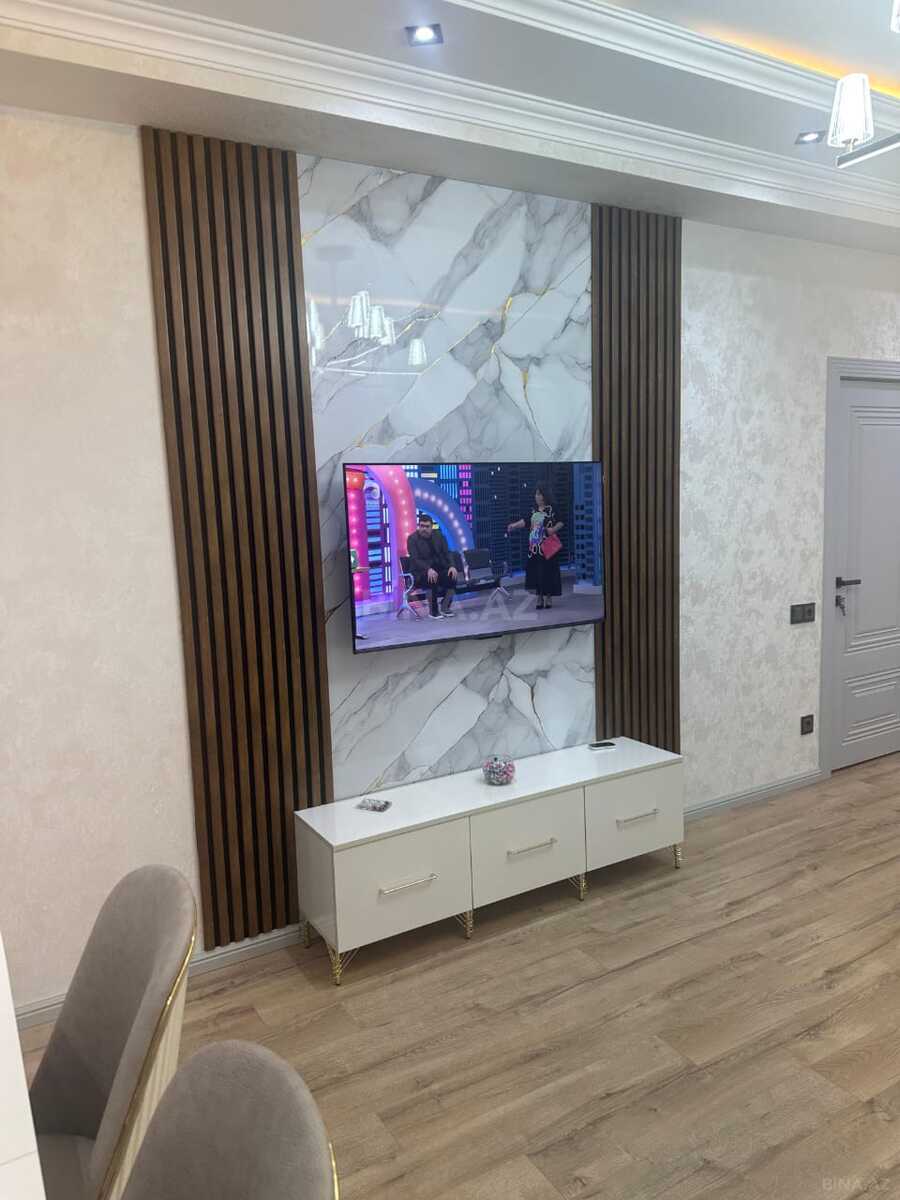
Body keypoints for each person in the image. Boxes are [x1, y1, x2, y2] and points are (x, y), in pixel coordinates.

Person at [507, 484, 564, 610]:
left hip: (548, 546)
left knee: (549, 571)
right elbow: (525, 521)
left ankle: (548, 596)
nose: (536, 496)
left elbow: (561, 522)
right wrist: (514, 525)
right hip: (535, 548)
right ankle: (539, 596)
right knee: (537, 572)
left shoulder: (552, 508)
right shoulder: (533, 510)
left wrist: (553, 529)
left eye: (538, 494)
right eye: (536, 494)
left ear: (544, 495)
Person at [406, 514, 459, 619]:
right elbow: (415, 559)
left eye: (427, 526)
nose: (424, 529)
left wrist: (452, 566)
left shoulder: (439, 535)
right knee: (432, 577)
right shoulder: (412, 539)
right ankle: (433, 611)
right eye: (421, 526)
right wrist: (428, 569)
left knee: (452, 576)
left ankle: (445, 606)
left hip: (438, 569)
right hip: (420, 572)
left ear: (431, 527)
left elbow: (447, 553)